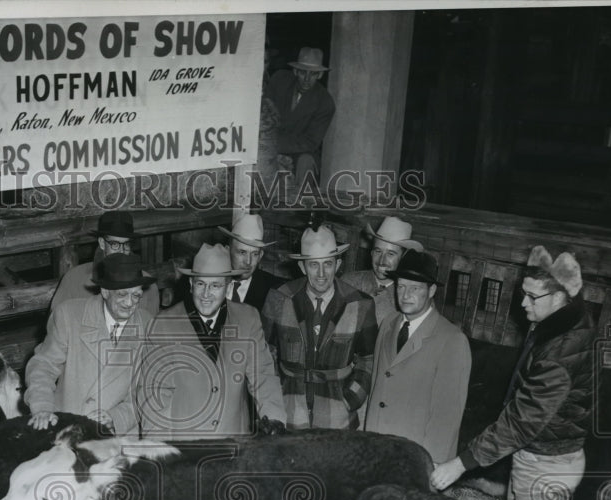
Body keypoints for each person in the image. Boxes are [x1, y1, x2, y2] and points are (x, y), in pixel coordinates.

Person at [430, 246, 595, 500]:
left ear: (560, 297)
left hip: (546, 465)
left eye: (532, 297)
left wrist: (461, 463)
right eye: (523, 293)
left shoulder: (560, 353)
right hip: (539, 453)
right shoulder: (559, 325)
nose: (522, 303)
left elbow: (521, 422)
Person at [136, 243, 286, 439]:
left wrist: (274, 420)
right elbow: (153, 394)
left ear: (228, 286)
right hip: (185, 450)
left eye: (215, 285)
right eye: (200, 284)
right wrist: (161, 452)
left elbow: (263, 375)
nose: (206, 294)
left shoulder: (247, 318)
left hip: (235, 447)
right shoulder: (163, 325)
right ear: (191, 284)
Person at [261, 225, 377, 430]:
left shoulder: (360, 303)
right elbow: (264, 354)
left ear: (338, 264)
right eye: (314, 265)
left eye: (328, 264)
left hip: (338, 419)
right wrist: (275, 397)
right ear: (302, 267)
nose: (322, 273)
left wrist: (351, 399)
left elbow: (369, 359)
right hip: (289, 416)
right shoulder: (278, 298)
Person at [24, 253, 155, 436]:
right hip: (66, 428)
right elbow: (43, 366)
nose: (129, 303)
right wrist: (43, 407)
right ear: (105, 291)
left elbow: (151, 390)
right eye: (123, 294)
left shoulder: (149, 326)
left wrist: (117, 418)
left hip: (117, 438)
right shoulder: (69, 316)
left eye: (136, 295)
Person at [364, 249, 472, 463]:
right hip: (376, 446)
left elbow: (447, 416)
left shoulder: (452, 340)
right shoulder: (388, 324)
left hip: (414, 454)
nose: (405, 295)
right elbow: (377, 384)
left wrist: (431, 464)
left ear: (431, 290)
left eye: (415, 288)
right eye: (401, 286)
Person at [49, 210, 160, 316]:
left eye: (126, 244)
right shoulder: (74, 279)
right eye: (115, 244)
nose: (121, 251)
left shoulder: (149, 287)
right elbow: (56, 323)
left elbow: (150, 328)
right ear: (102, 243)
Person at [172, 214, 284, 313]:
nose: (248, 262)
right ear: (227, 250)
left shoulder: (275, 289)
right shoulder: (194, 284)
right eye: (242, 252)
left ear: (261, 256)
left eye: (254, 254)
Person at [264, 47, 336, 190]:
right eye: (303, 72)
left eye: (313, 74)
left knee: (306, 161)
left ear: (320, 75)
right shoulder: (279, 80)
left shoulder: (325, 102)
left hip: (300, 152)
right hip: (268, 142)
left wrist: (277, 146)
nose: (307, 79)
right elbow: (264, 113)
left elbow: (310, 142)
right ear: (295, 71)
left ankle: (300, 207)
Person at [342, 216, 424, 326]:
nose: (381, 260)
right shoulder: (348, 282)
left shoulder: (408, 298)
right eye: (378, 251)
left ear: (403, 258)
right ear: (371, 252)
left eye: (390, 254)